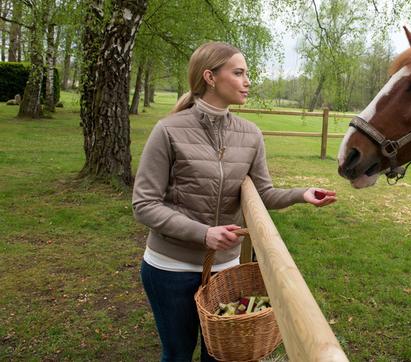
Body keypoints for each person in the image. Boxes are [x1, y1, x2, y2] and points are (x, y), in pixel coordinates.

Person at [132, 41, 337, 362]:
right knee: (177, 353)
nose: (248, 81)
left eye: (247, 73)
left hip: (225, 270)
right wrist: (204, 233)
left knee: (223, 355)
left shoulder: (251, 134)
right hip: (170, 268)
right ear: (210, 77)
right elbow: (144, 204)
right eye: (239, 73)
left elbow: (264, 194)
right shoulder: (168, 131)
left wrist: (302, 194)